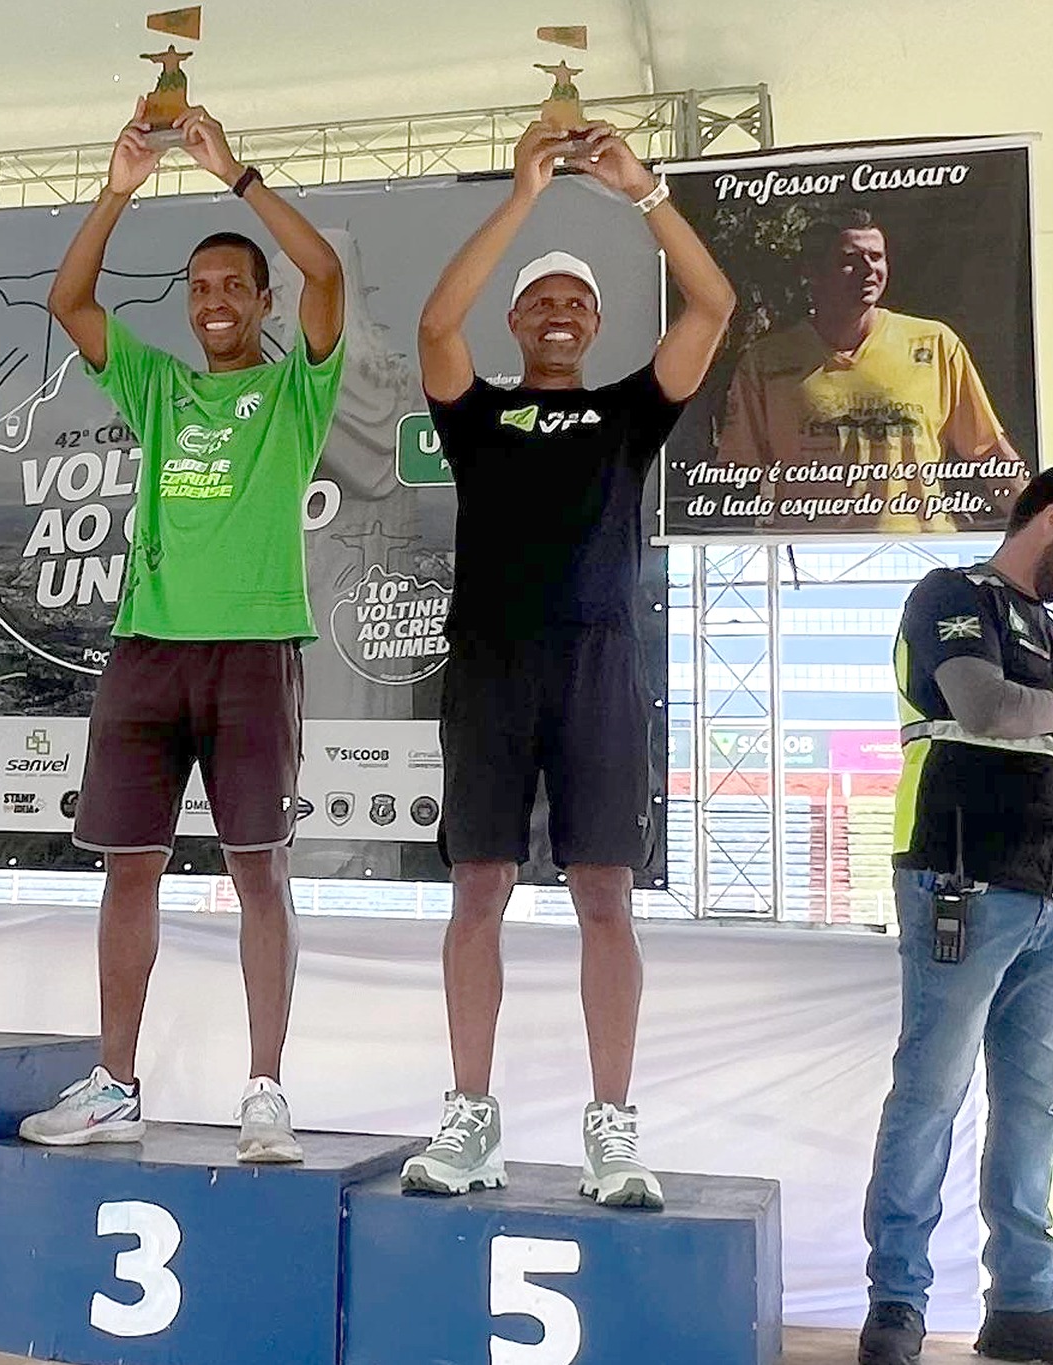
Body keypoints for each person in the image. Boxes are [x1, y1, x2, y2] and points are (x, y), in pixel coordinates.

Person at [397, 122, 734, 1206]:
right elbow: (433, 322)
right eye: (539, 298)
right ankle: (467, 1122)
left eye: (575, 302)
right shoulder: (480, 413)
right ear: (517, 318)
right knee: (476, 889)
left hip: (597, 667)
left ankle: (612, 1132)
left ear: (594, 322)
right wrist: (520, 199)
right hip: (489, 666)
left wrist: (643, 195)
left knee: (603, 897)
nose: (556, 311)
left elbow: (713, 307)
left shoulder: (626, 412)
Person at [15, 100, 345, 1163]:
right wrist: (118, 183)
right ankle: (116, 1084)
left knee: (258, 872)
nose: (211, 301)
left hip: (253, 650)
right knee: (129, 869)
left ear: (259, 303)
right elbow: (67, 301)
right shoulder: (157, 385)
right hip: (148, 647)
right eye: (197, 288)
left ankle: (265, 1094)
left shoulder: (297, 388)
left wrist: (233, 173)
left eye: (230, 287)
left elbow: (328, 279)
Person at [858, 469, 1053, 1365]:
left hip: (1049, 890)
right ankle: (897, 1299)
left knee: (1034, 1105)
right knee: (932, 1091)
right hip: (960, 876)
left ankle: (1025, 1301)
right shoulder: (951, 593)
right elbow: (989, 705)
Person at [715, 208, 1028, 534]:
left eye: (876, 257)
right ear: (812, 270)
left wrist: (1038, 529)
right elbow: (740, 477)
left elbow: (990, 452)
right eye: (850, 259)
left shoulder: (935, 343)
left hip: (924, 554)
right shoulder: (767, 361)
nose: (869, 270)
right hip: (811, 560)